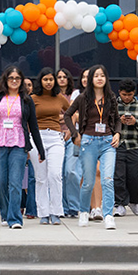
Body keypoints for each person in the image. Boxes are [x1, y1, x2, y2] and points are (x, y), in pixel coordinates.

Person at [64, 65, 122, 230]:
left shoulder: (110, 97)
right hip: (88, 141)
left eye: (102, 75)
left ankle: (108, 215)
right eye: (96, 76)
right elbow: (67, 115)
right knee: (88, 182)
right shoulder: (83, 98)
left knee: (107, 179)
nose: (99, 78)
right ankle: (84, 211)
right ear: (91, 79)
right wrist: (75, 134)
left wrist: (118, 133)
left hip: (108, 142)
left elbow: (117, 119)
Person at [0, 67, 43, 230]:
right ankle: (5, 213)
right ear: (6, 80)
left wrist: (40, 149)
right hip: (0, 144)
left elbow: (33, 125)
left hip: (19, 144)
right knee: (2, 183)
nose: (14, 81)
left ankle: (15, 218)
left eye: (17, 78)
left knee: (16, 183)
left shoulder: (26, 99)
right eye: (11, 78)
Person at [30, 69, 71, 225]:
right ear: (40, 81)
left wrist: (70, 129)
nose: (48, 82)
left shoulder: (60, 98)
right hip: (37, 138)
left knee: (55, 174)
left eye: (51, 80)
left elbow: (72, 113)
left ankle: (56, 212)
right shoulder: (32, 98)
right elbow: (26, 119)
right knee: (41, 177)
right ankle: (43, 213)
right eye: (45, 79)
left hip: (55, 138)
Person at [115, 79, 138, 215]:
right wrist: (119, 121)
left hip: (135, 145)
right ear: (119, 92)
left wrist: (136, 122)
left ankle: (134, 202)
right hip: (118, 145)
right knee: (118, 176)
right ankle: (120, 204)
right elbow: (106, 123)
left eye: (129, 95)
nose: (126, 97)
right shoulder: (113, 105)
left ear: (134, 93)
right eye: (124, 94)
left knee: (136, 176)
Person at [56, 68, 82, 217]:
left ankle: (74, 206)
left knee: (71, 171)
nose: (61, 79)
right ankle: (63, 207)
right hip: (55, 135)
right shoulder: (52, 95)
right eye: (59, 77)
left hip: (72, 135)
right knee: (58, 173)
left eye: (64, 77)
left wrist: (63, 117)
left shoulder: (75, 93)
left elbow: (71, 113)